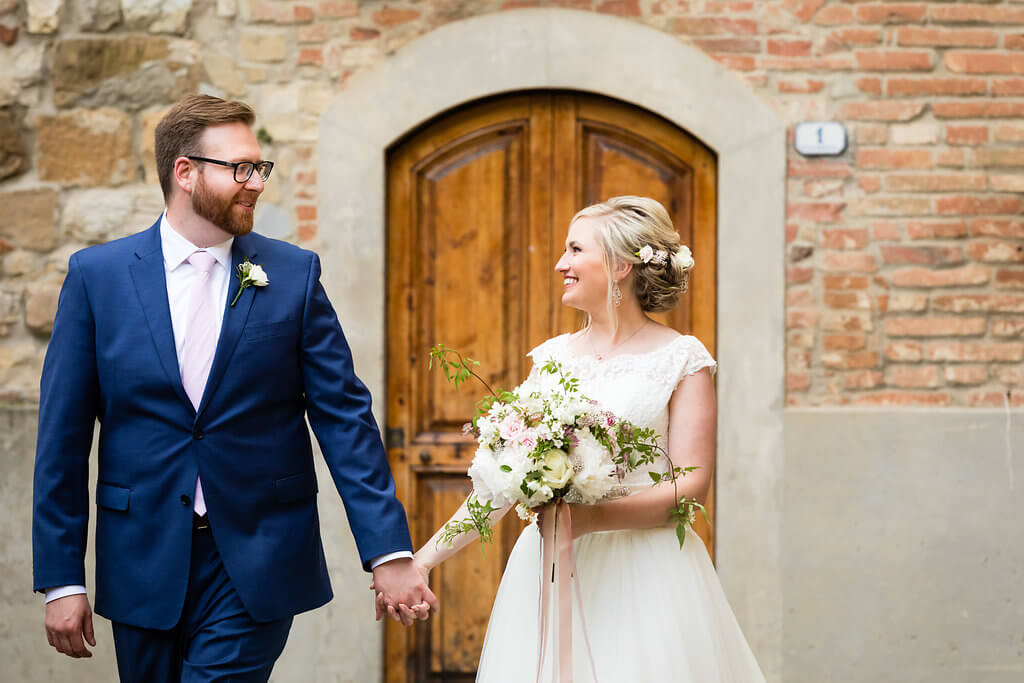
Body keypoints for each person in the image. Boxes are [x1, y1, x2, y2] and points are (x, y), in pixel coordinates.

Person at [32, 94, 436, 682]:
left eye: (259, 168)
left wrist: (388, 552)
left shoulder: (293, 275)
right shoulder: (98, 277)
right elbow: (61, 440)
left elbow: (344, 417)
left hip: (258, 554)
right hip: (141, 552)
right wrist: (63, 577)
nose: (255, 183)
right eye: (240, 168)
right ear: (185, 172)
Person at [405, 196, 766, 681]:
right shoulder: (552, 359)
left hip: (648, 574)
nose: (561, 264)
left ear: (620, 265)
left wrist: (589, 518)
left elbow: (690, 484)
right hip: (546, 567)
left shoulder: (682, 358)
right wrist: (422, 562)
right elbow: (499, 485)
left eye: (576, 250)